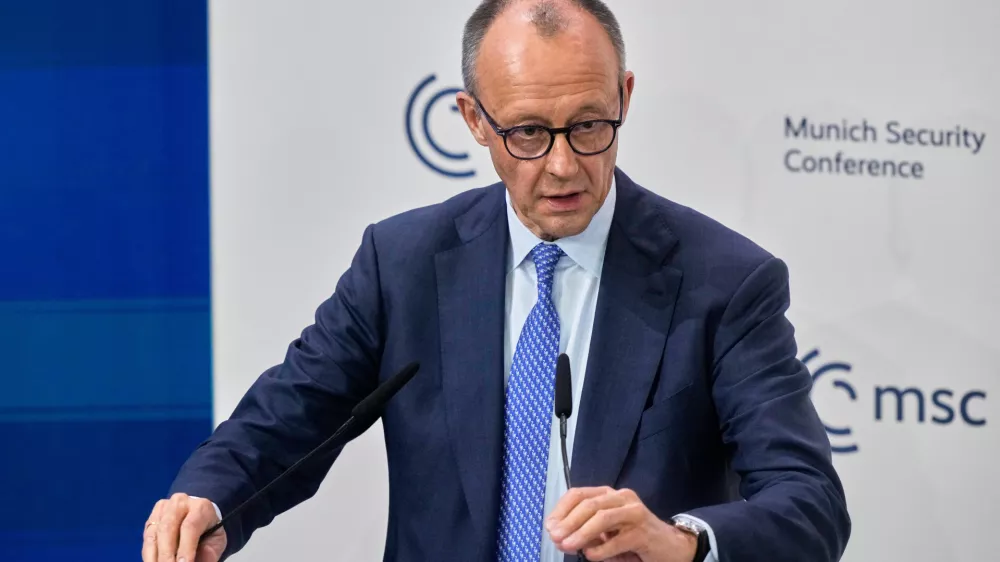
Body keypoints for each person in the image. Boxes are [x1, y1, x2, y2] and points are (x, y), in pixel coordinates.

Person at [142, 1, 851, 561]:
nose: (565, 166)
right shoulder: (404, 263)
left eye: (589, 126)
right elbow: (289, 419)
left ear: (625, 96)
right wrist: (208, 502)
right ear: (473, 119)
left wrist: (683, 543)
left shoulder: (724, 282)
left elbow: (809, 503)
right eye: (529, 134)